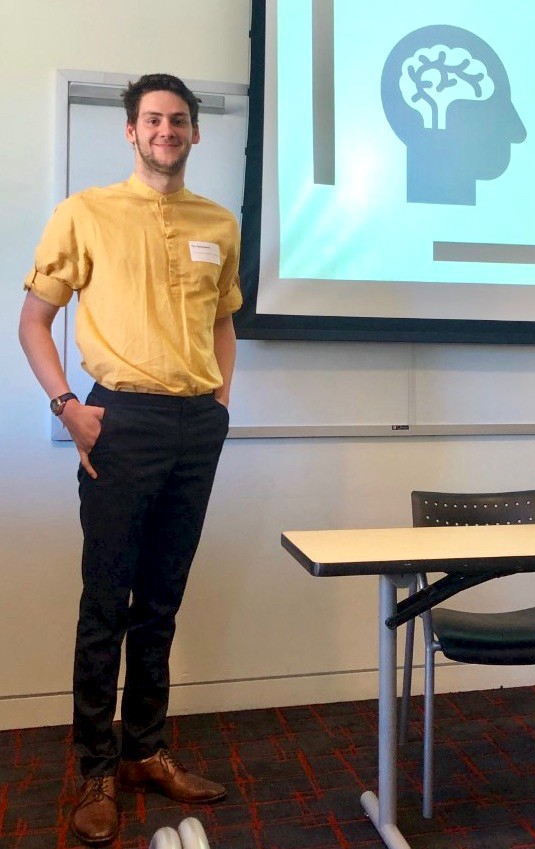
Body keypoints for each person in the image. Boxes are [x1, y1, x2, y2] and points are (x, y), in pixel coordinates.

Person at [18, 73, 241, 847]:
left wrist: (218, 402)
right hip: (119, 419)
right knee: (104, 602)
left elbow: (222, 322)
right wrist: (66, 409)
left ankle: (147, 749)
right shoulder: (85, 212)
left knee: (162, 601)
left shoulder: (219, 221)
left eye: (178, 120)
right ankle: (96, 769)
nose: (167, 131)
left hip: (193, 426)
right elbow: (34, 321)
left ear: (194, 132)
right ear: (131, 131)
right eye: (153, 120)